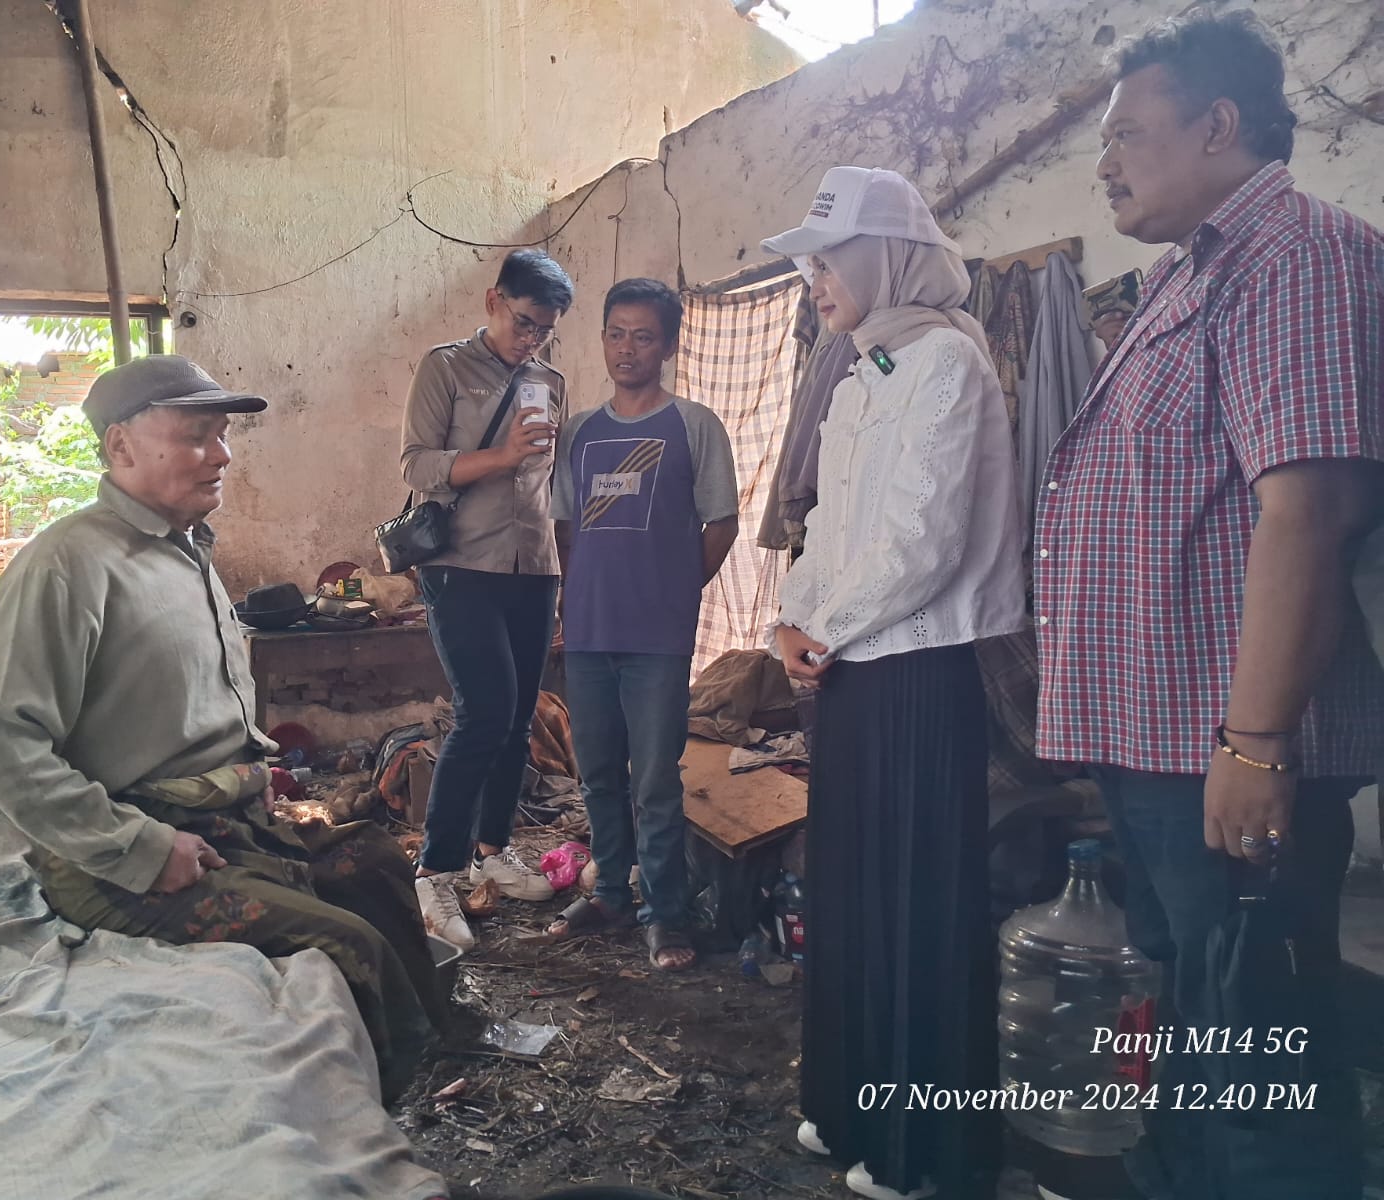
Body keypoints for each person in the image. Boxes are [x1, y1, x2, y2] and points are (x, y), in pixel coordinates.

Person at [1035, 12, 1383, 1199]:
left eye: (1128, 133)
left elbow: (1308, 512)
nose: (1105, 161)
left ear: (1218, 127)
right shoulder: (1196, 271)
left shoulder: (1295, 257)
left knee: (1253, 1058)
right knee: (1196, 1036)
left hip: (1223, 753)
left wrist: (1256, 741)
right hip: (1163, 744)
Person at [0, 355, 442, 1104]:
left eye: (223, 435)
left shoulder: (186, 549)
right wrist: (140, 849)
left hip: (226, 822)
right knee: (348, 946)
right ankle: (372, 1121)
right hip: (129, 853)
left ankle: (438, 1051)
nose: (223, 454)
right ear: (121, 448)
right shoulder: (67, 566)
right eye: (196, 436)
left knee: (372, 861)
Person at [762, 167, 1025, 1200]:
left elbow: (922, 544)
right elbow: (830, 524)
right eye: (809, 264)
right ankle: (848, 1106)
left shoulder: (946, 363)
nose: (815, 279)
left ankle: (926, 1155)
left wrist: (815, 626)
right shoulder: (863, 369)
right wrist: (790, 614)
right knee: (855, 900)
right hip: (858, 673)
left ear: (886, 256)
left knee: (917, 909)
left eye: (829, 259)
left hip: (918, 677)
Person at [540, 278, 740, 971]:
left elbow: (723, 521)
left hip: (658, 635)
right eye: (616, 333)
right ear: (601, 339)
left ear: (668, 345)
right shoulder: (581, 433)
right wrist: (576, 595)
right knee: (596, 775)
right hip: (591, 630)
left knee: (654, 778)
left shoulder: (692, 425)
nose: (628, 349)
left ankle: (666, 914)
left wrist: (682, 590)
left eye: (644, 336)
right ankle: (612, 898)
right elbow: (565, 525)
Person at [400, 249, 574, 949]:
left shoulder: (551, 381)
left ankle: (492, 851)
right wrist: (500, 457)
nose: (531, 340)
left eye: (545, 331)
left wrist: (568, 568)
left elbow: (552, 484)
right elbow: (416, 463)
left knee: (518, 715)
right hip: (459, 564)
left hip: (534, 567)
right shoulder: (444, 368)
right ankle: (435, 870)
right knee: (484, 712)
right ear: (492, 301)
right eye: (525, 322)